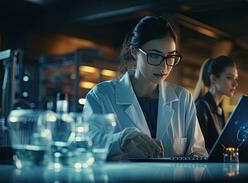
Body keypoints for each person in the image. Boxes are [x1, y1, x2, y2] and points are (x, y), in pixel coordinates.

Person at [83, 16, 208, 160]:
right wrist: (120, 139)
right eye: (155, 56)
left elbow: (199, 152)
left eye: (171, 57)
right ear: (134, 52)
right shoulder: (102, 95)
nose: (164, 66)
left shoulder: (182, 98)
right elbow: (86, 145)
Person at [195, 56, 239, 152]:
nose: (235, 83)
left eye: (235, 78)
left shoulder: (219, 109)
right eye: (229, 77)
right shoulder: (202, 106)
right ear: (214, 79)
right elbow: (198, 149)